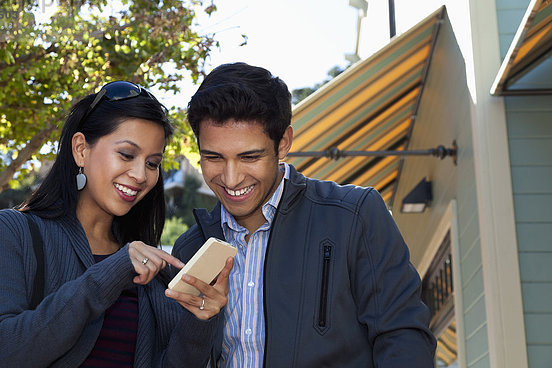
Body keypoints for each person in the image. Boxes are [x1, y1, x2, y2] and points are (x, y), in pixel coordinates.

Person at [171, 63, 437, 367]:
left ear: (283, 143)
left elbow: (403, 337)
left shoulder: (354, 216)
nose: (231, 179)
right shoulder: (190, 249)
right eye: (214, 157)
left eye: (250, 157)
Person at [0, 81, 232, 367]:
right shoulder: (9, 231)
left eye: (153, 163)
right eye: (127, 155)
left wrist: (199, 320)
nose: (141, 174)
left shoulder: (150, 266)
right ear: (81, 149)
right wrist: (110, 273)